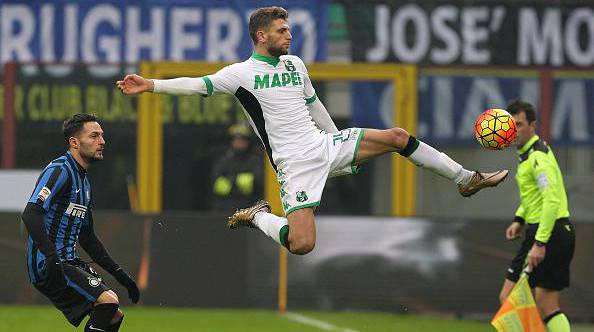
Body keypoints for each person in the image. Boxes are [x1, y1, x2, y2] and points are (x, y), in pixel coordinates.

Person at [117, 6, 508, 255]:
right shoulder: (239, 74)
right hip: (294, 164)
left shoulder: (295, 65)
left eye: (289, 30)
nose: (290, 36)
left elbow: (314, 106)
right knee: (303, 244)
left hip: (323, 143)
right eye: (283, 31)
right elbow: (198, 84)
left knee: (398, 137)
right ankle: (257, 217)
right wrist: (152, 85)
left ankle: (465, 179)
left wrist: (339, 146)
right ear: (261, 36)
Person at [21, 114, 139, 331]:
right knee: (108, 302)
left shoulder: (84, 182)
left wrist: (121, 275)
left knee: (113, 315)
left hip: (67, 261)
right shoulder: (60, 170)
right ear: (74, 142)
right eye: (94, 136)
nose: (102, 141)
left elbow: (87, 237)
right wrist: (51, 258)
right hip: (50, 264)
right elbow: (31, 213)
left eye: (102, 136)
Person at [498, 100, 575, 332]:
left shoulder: (537, 158)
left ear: (533, 125)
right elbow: (537, 197)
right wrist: (519, 218)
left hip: (548, 233)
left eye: (519, 124)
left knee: (508, 297)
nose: (514, 130)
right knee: (547, 304)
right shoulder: (531, 153)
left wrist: (540, 243)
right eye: (511, 126)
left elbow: (551, 200)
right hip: (557, 230)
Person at [210, 124, 263, 211]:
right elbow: (216, 184)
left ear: (248, 141)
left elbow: (257, 182)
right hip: (225, 208)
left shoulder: (255, 160)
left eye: (242, 139)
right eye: (236, 139)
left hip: (249, 208)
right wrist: (240, 182)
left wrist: (231, 180)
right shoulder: (223, 160)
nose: (239, 142)